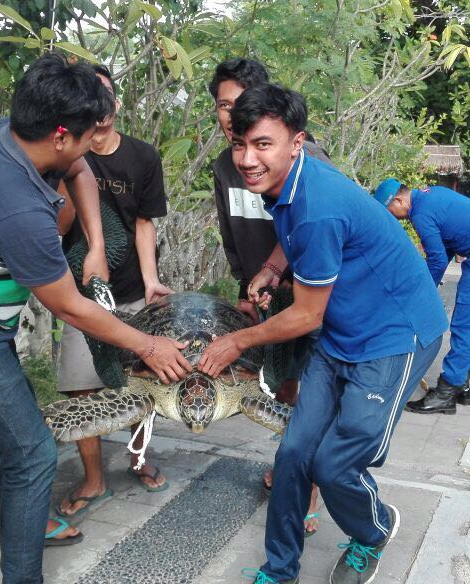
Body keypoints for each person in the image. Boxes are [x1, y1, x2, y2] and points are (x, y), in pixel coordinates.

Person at [0, 54, 191, 584]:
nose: (91, 147)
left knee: (16, 441)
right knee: (31, 455)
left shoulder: (3, 134)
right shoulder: (20, 209)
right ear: (58, 134)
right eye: (85, 136)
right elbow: (70, 305)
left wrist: (95, 245)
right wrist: (148, 345)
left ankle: (23, 523)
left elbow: (77, 169)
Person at [198, 84, 447, 584]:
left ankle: (373, 531)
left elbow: (306, 315)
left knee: (335, 465)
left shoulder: (318, 203)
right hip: (342, 334)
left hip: (395, 337)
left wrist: (236, 341)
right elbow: (298, 242)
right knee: (293, 453)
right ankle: (280, 568)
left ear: (297, 141)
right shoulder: (289, 184)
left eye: (263, 144)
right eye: (240, 145)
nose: (248, 159)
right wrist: (272, 266)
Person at [209, 57, 327, 536]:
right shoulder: (225, 164)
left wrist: (273, 270)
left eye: (238, 104)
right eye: (222, 105)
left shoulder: (306, 156)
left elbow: (306, 219)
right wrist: (245, 283)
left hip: (310, 292)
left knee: (314, 391)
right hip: (262, 295)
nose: (229, 114)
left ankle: (308, 493)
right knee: (283, 388)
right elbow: (230, 228)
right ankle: (289, 468)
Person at [55, 64, 176, 516]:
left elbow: (143, 224)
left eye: (104, 96)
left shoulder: (143, 158)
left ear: (116, 105)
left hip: (127, 292)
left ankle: (139, 458)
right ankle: (93, 478)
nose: (99, 107)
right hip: (78, 295)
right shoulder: (64, 152)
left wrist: (149, 283)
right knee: (79, 389)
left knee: (140, 385)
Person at [372, 181, 470, 415]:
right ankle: (461, 384)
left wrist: (422, 296)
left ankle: (446, 392)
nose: (392, 218)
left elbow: (437, 260)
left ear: (398, 201)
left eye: (389, 212)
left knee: (465, 326)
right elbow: (445, 249)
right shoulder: (431, 196)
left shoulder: (420, 212)